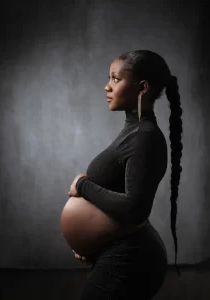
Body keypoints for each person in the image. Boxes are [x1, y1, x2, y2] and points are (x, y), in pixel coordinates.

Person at [68, 49, 183, 299]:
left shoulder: (144, 138)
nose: (106, 87)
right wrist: (91, 243)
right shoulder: (134, 131)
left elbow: (135, 208)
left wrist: (83, 184)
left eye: (115, 79)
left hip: (131, 259)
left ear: (142, 88)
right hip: (116, 252)